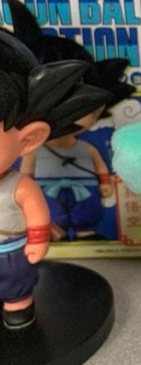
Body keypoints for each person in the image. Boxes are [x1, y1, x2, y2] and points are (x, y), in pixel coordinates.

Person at [0, 28, 108, 329]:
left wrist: (38, 239)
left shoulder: (19, 186)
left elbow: (36, 213)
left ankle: (18, 306)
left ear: (29, 138)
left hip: (11, 253)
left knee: (16, 284)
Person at [7, 0, 135, 241]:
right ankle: (55, 234)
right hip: (47, 190)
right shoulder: (33, 150)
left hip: (85, 188)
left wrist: (104, 181)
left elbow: (99, 165)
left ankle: (85, 232)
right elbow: (27, 174)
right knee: (50, 214)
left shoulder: (86, 148)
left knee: (85, 213)